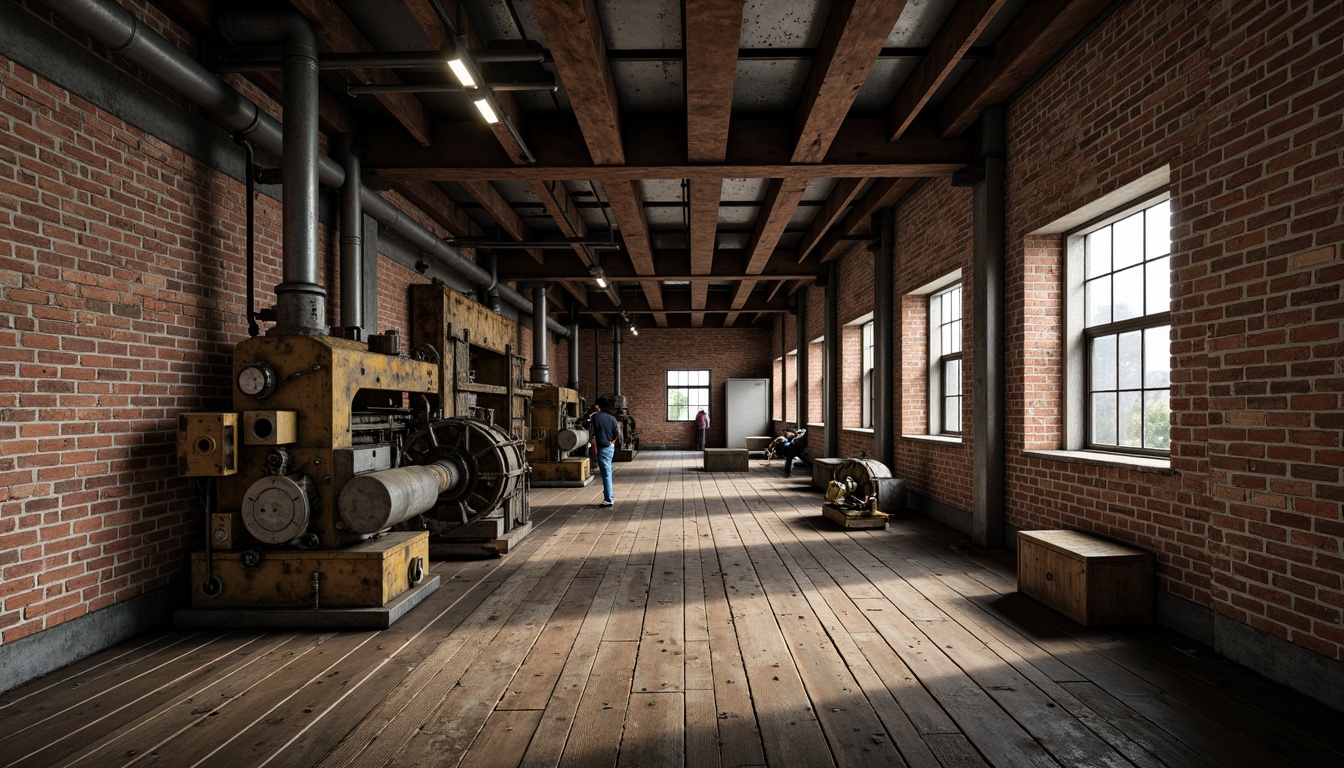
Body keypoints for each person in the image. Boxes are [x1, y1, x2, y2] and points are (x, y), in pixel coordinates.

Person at [588, 397, 621, 506]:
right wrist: (611, 442)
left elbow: (591, 432)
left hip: (602, 447)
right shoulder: (612, 418)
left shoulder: (595, 417)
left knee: (606, 474)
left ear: (598, 406)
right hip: (610, 446)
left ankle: (608, 499)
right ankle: (608, 496)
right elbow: (617, 432)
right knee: (607, 471)